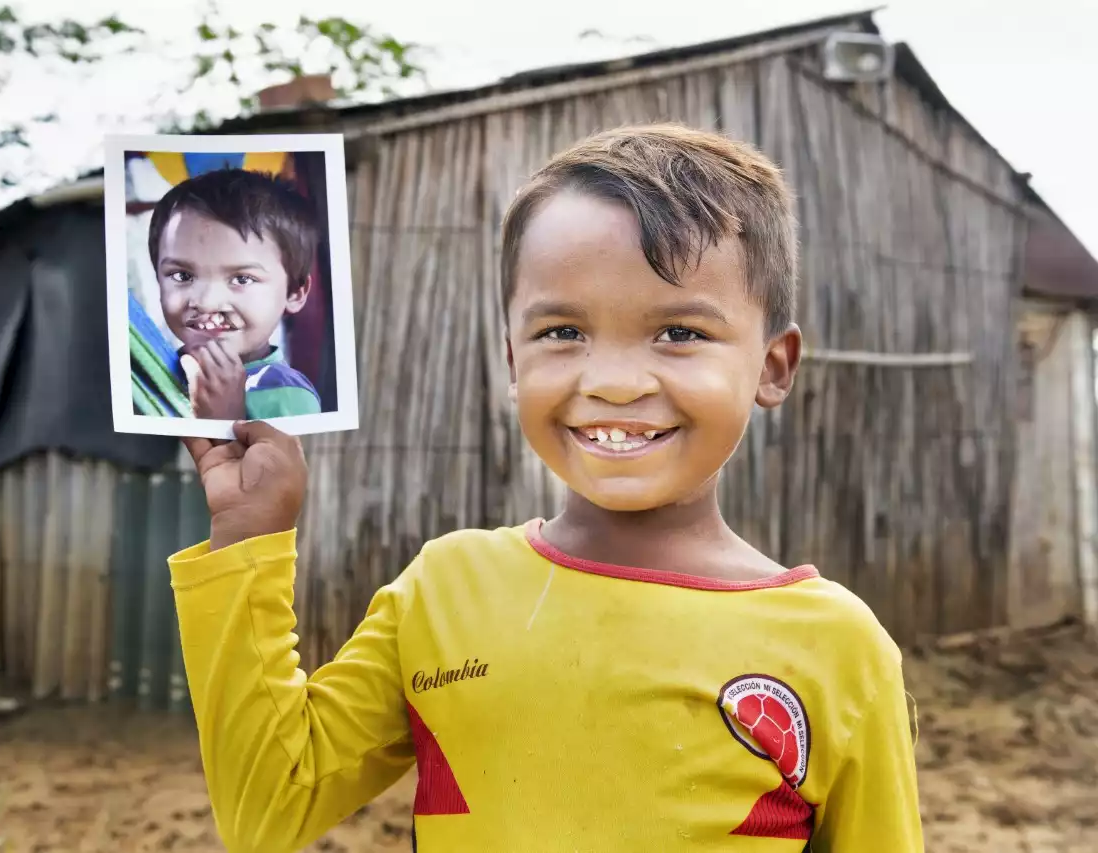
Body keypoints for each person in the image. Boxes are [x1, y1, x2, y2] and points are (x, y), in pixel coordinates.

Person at [170, 124, 924, 852]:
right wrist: (248, 542)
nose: (615, 382)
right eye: (562, 332)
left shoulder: (837, 650)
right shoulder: (446, 591)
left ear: (772, 365)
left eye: (681, 333)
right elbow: (267, 805)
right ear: (511, 358)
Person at [147, 167, 323, 421]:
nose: (207, 302)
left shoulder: (289, 399)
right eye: (182, 276)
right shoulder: (157, 368)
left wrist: (227, 416)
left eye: (242, 279)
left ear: (294, 293)